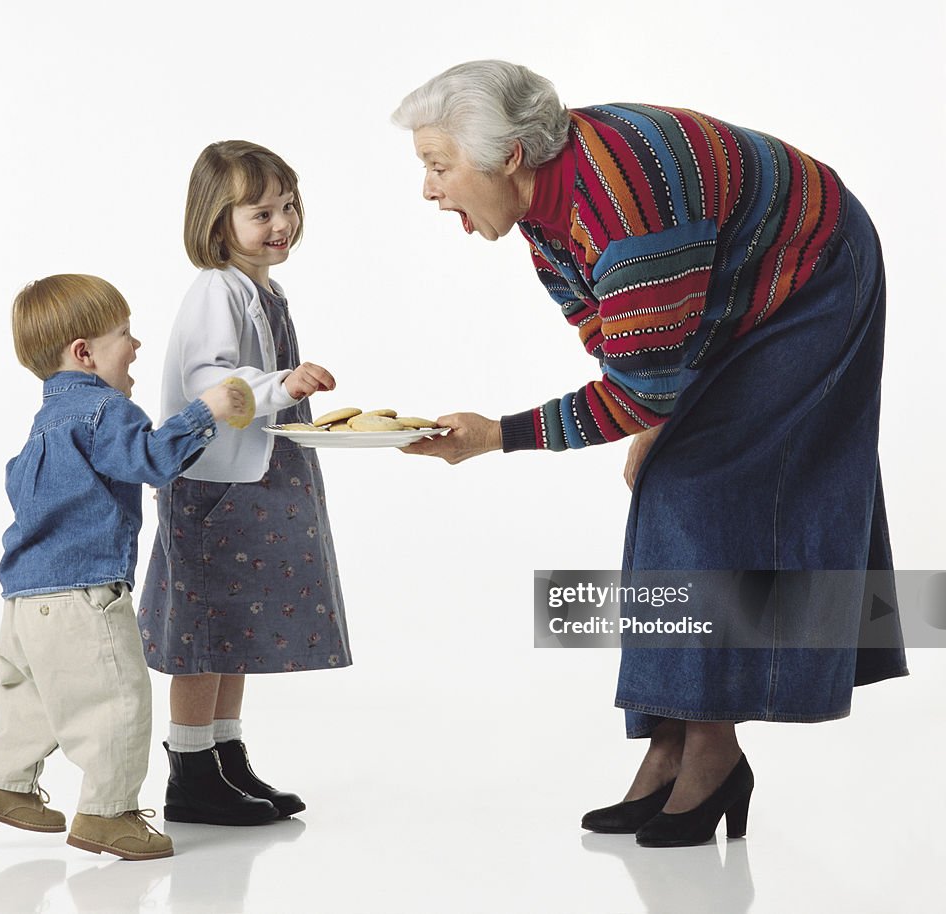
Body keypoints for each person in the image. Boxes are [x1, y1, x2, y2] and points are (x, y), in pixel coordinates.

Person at [392, 60, 908, 847]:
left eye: (437, 165)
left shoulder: (628, 219)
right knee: (669, 480)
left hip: (812, 275)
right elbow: (612, 339)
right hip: (729, 281)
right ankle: (672, 744)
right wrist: (650, 412)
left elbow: (638, 387)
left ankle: (711, 749)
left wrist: (496, 435)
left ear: (509, 158)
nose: (429, 189)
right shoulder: (544, 214)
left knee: (700, 491)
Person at [0, 274, 247, 860]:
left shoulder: (46, 422)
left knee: (33, 697)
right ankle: (108, 813)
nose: (136, 345)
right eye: (124, 334)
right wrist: (207, 411)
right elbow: (150, 459)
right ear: (84, 353)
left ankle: (2, 783)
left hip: (23, 599)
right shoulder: (103, 409)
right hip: (85, 595)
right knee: (115, 702)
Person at [139, 140, 350, 826]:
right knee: (202, 631)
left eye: (288, 207)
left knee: (235, 624)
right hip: (212, 486)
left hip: (254, 476)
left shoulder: (263, 288)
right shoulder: (216, 290)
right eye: (261, 212)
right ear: (216, 219)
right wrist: (278, 386)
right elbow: (208, 381)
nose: (281, 222)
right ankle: (191, 772)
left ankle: (226, 758)